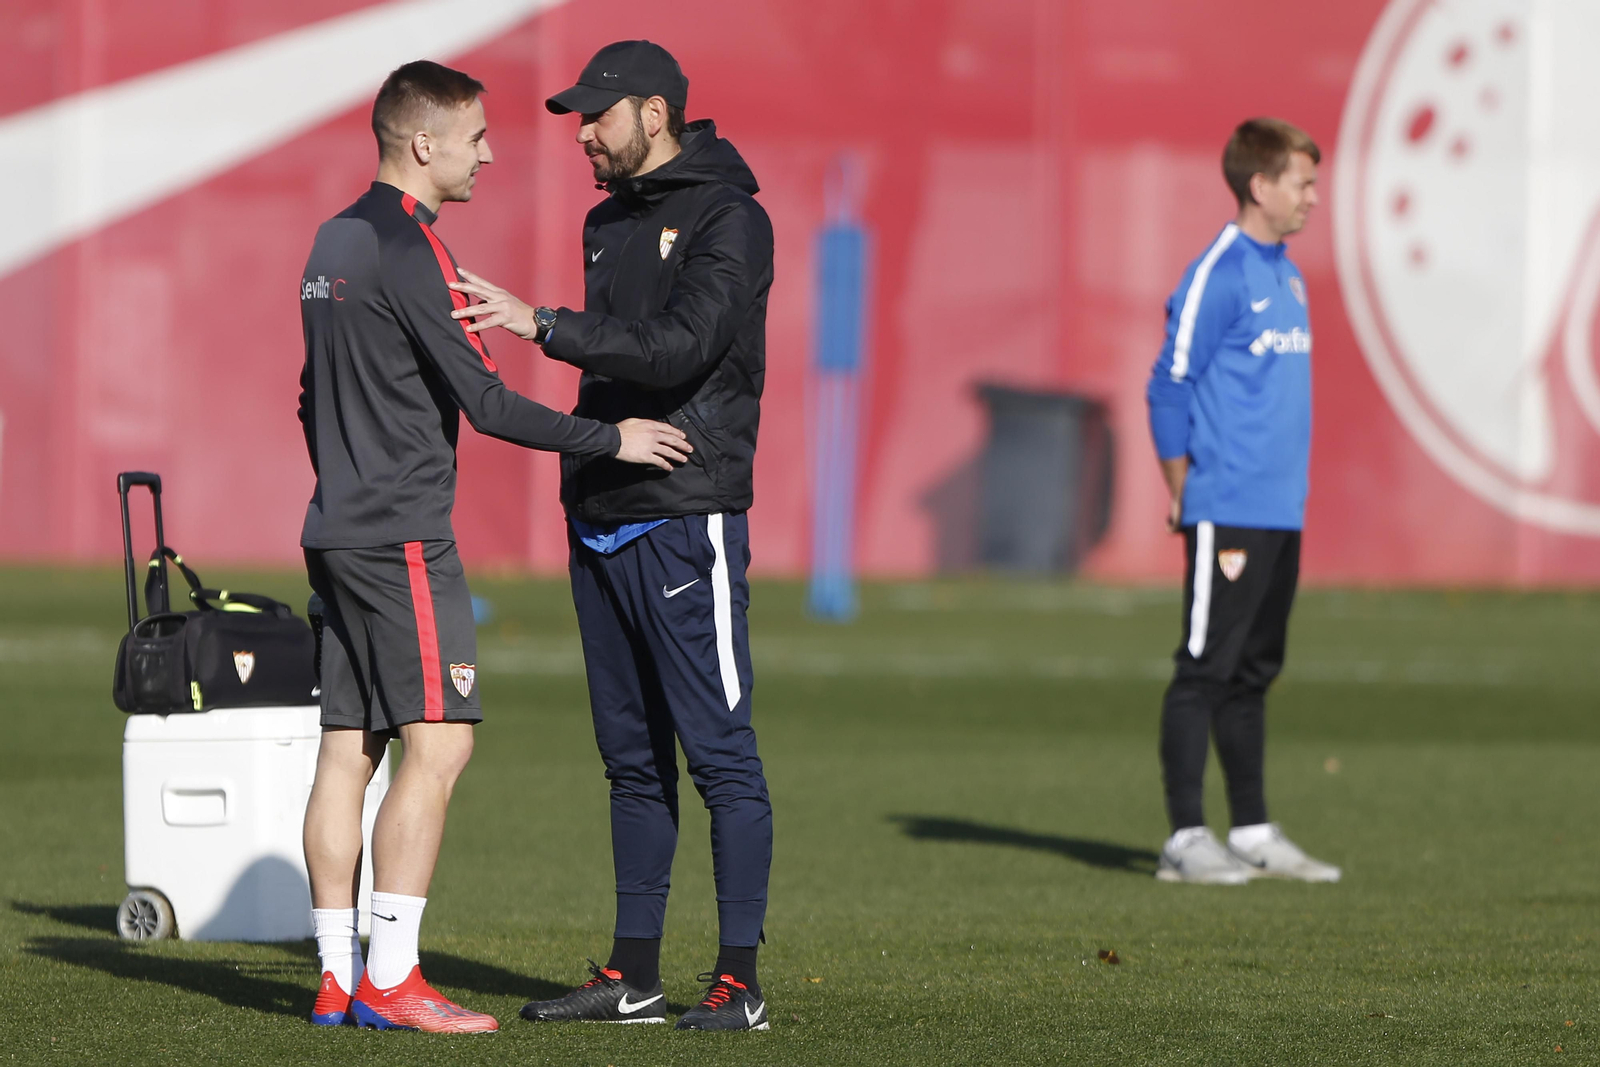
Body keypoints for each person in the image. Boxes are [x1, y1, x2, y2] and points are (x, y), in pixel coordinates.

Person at [296, 59, 689, 1033]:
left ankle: (336, 975)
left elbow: (309, 394)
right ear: (423, 143)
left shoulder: (331, 237)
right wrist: (615, 437)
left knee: (349, 748)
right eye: (475, 136)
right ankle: (393, 977)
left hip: (335, 526)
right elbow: (490, 402)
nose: (489, 152)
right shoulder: (411, 249)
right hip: (400, 538)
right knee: (442, 744)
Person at [447, 39, 775, 1031]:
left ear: (655, 114)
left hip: (685, 516)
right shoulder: (605, 220)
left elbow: (678, 349)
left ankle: (741, 980)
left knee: (721, 758)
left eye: (596, 115)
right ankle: (634, 974)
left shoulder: (730, 216)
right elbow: (622, 367)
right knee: (631, 762)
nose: (581, 133)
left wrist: (538, 322)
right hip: (598, 515)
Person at [1144, 117, 1341, 886]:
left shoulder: (1286, 272)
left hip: (1279, 509)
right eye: (1303, 182)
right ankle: (1185, 838)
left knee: (1254, 670)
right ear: (1260, 185)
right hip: (1224, 504)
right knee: (1204, 668)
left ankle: (1252, 828)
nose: (1313, 199)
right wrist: (1180, 486)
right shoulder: (1218, 272)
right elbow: (1169, 381)